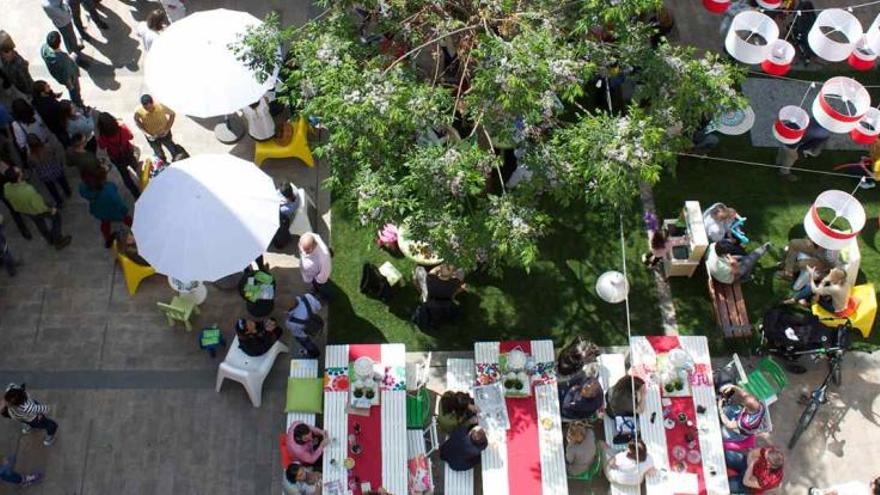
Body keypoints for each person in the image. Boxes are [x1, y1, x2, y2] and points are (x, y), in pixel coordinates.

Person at [2, 167, 71, 249]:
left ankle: (49, 240)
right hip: (36, 210)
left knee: (39, 224)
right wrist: (50, 209)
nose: (21, 170)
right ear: (19, 176)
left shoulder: (7, 187)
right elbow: (39, 206)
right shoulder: (28, 190)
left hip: (25, 210)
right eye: (19, 171)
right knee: (56, 218)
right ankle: (57, 239)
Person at [78, 172, 132, 247]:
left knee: (105, 223)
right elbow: (118, 202)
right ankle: (136, 229)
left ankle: (108, 239)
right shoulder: (108, 189)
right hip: (113, 211)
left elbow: (82, 192)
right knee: (127, 219)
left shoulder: (83, 188)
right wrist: (124, 210)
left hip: (99, 210)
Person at [95, 111, 141, 198]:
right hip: (128, 152)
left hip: (116, 157)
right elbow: (131, 136)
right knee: (136, 168)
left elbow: (102, 146)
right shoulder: (122, 128)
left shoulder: (103, 136)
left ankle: (136, 194)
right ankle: (145, 184)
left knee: (125, 176)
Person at [10, 98, 64, 167]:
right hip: (46, 144)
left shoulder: (16, 125)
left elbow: (21, 143)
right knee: (54, 164)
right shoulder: (35, 114)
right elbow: (43, 127)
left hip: (34, 151)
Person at [41, 32, 84, 109]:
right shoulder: (62, 59)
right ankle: (79, 104)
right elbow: (67, 76)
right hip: (71, 78)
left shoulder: (44, 49)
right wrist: (71, 86)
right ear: (60, 42)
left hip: (58, 75)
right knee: (75, 92)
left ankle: (77, 101)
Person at [26, 133, 71, 207]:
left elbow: (31, 166)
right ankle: (68, 192)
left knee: (52, 189)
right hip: (54, 168)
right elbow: (55, 155)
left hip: (44, 174)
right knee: (62, 181)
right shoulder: (47, 147)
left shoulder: (30, 156)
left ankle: (59, 201)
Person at [133, 94, 181, 162]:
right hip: (152, 137)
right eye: (146, 108)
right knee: (159, 155)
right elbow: (136, 120)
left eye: (150, 107)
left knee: (173, 150)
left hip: (165, 134)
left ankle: (176, 161)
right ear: (143, 106)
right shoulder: (139, 112)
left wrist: (167, 129)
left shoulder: (161, 106)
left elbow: (172, 114)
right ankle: (164, 164)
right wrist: (146, 133)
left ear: (152, 103)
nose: (149, 110)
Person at [718, 384, 766, 451]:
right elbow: (744, 394)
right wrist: (732, 386)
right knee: (728, 409)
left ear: (746, 408)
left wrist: (720, 409)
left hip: (740, 433)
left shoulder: (745, 422)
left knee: (720, 432)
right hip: (740, 419)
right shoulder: (761, 406)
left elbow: (729, 424)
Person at [40, 0, 87, 65]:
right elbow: (63, 14)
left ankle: (75, 47)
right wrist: (67, 7)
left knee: (71, 37)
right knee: (70, 39)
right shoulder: (49, 5)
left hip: (63, 21)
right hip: (63, 23)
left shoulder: (48, 2)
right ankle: (77, 59)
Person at [706, 241, 772, 284]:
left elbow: (726, 256)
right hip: (730, 278)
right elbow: (736, 273)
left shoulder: (712, 246)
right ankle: (764, 248)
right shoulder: (719, 266)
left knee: (745, 259)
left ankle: (747, 275)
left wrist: (730, 257)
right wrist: (733, 262)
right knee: (749, 260)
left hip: (722, 267)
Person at [30, 80, 69, 146]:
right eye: (47, 87)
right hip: (59, 127)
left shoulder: (37, 100)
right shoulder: (47, 105)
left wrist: (53, 95)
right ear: (42, 92)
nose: (50, 88)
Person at [284, 293, 322, 359]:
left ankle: (315, 354)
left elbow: (298, 333)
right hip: (317, 321)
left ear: (288, 309)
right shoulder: (307, 297)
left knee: (306, 343)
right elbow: (319, 306)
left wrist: (289, 315)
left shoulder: (291, 322)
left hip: (305, 333)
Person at [0, 32, 34, 98]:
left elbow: (25, 81)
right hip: (17, 83)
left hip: (24, 85)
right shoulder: (4, 60)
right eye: (6, 52)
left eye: (11, 50)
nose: (12, 53)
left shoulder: (18, 63)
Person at [298, 233, 332, 299]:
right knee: (315, 285)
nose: (304, 252)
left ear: (314, 245)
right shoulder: (306, 237)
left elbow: (325, 272)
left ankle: (325, 296)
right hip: (311, 275)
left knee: (323, 288)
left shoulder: (324, 257)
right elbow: (300, 246)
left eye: (307, 250)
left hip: (317, 277)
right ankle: (315, 289)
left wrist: (318, 280)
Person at [809, 476, 880, 495]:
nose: (873, 478)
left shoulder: (858, 487)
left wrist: (825, 493)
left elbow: (835, 492)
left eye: (875, 480)